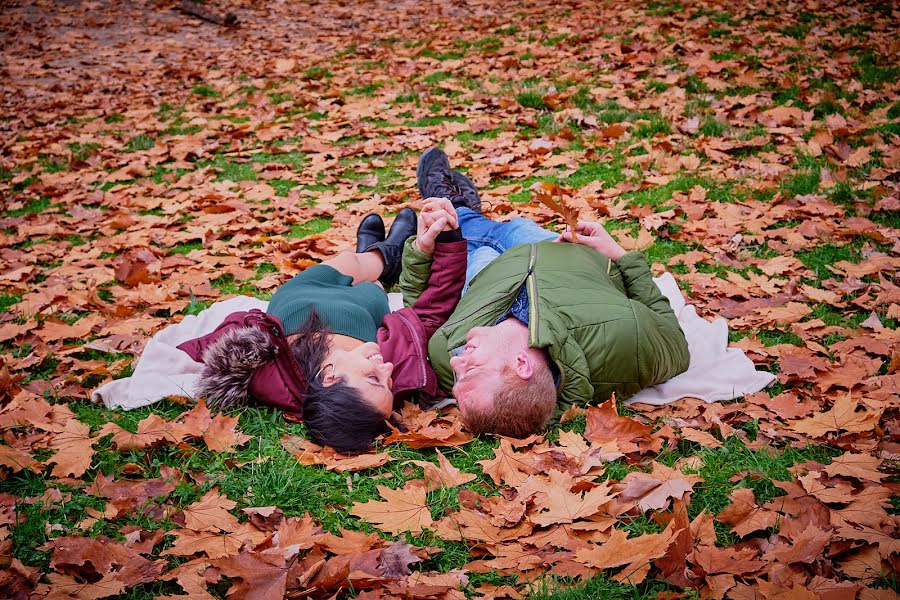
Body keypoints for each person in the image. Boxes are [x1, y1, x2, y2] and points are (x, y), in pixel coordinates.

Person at [401, 147, 691, 438]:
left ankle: (458, 207)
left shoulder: (445, 351)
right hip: (562, 251)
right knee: (516, 227)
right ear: (521, 364)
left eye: (456, 377)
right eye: (470, 370)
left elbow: (421, 315)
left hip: (485, 275)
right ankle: (460, 207)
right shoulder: (628, 342)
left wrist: (421, 251)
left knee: (474, 244)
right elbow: (675, 343)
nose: (455, 363)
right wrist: (620, 256)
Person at [179, 201, 467, 453]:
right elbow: (431, 312)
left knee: (350, 261)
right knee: (373, 285)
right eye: (389, 383)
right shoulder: (384, 357)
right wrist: (450, 241)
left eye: (373, 378)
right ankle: (385, 256)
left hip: (305, 292)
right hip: (366, 302)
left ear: (329, 378)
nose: (387, 369)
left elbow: (220, 343)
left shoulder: (273, 373)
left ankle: (380, 254)